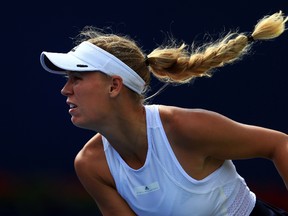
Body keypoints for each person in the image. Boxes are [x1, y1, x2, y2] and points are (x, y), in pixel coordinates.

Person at [40, 11, 288, 216]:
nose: (65, 90)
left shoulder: (184, 129)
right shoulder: (91, 165)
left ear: (114, 86)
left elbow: (279, 144)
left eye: (77, 78)